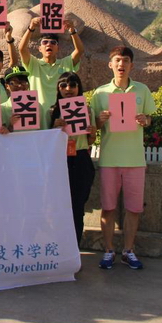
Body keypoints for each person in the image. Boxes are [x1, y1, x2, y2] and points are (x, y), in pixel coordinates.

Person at [91, 46, 156, 270]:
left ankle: (128, 251)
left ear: (131, 65)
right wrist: (99, 120)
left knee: (134, 209)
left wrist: (145, 120)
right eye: (117, 60)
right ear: (110, 64)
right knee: (108, 208)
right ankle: (109, 250)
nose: (121, 64)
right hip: (109, 159)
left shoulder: (142, 90)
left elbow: (150, 118)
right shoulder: (100, 93)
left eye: (125, 61)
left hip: (135, 160)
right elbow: (92, 128)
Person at [48, 72, 96, 247]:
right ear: (58, 89)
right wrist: (54, 127)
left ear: (79, 87)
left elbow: (90, 141)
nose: (68, 89)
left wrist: (92, 132)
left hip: (81, 158)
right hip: (59, 161)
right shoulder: (51, 111)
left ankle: (74, 249)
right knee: (57, 208)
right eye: (63, 85)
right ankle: (58, 248)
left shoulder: (87, 110)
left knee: (77, 208)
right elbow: (45, 141)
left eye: (72, 85)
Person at [19, 17, 84, 114]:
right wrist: (31, 27)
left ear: (58, 48)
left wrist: (72, 30)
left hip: (62, 113)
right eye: (45, 42)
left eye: (53, 42)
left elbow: (80, 50)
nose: (49, 44)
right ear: (39, 48)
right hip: (39, 114)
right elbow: (22, 49)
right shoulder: (33, 64)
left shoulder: (66, 63)